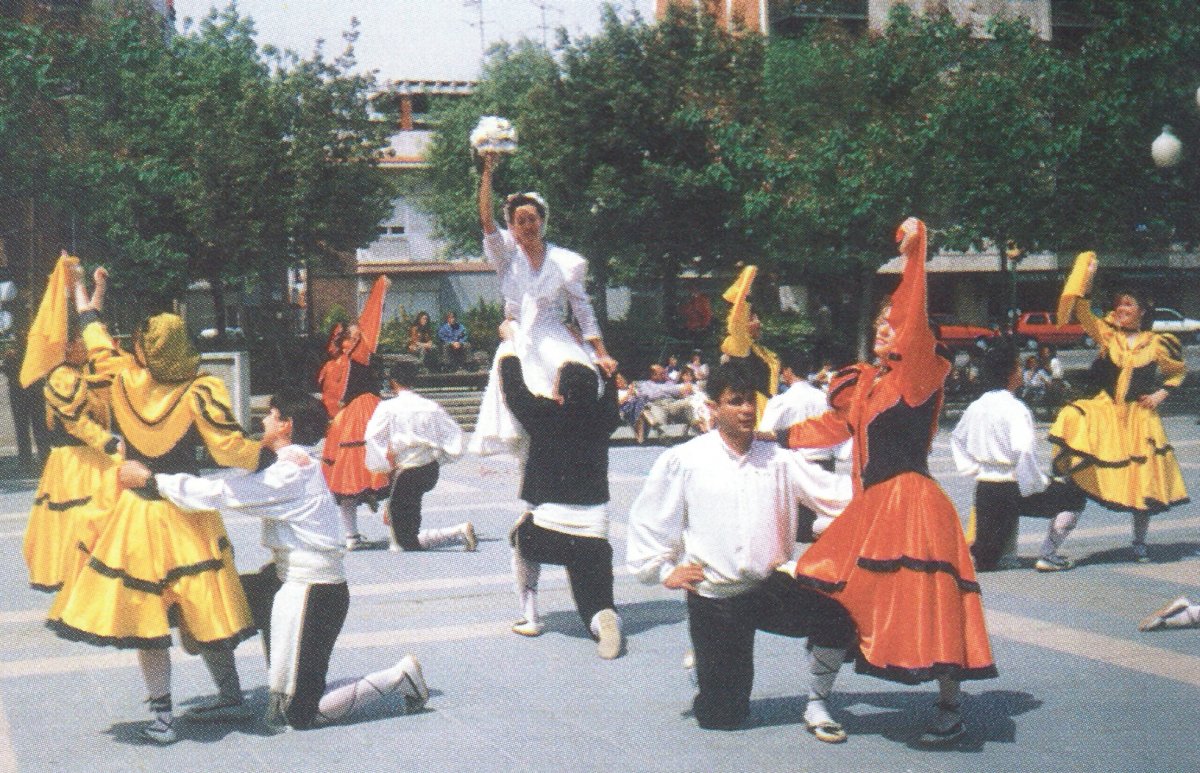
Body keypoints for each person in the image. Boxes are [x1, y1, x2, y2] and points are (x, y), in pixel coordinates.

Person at [777, 219, 996, 745]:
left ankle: (950, 707)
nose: (884, 328)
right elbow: (831, 427)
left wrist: (916, 254)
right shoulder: (865, 384)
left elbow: (913, 312)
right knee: (838, 594)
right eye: (879, 322)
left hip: (911, 503)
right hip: (873, 507)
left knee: (930, 598)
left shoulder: (917, 376)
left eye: (891, 324)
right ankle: (817, 700)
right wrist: (771, 436)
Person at [116, 389, 429, 733]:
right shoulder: (286, 463)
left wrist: (151, 480)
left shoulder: (292, 472)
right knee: (203, 603)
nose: (263, 420)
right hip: (281, 581)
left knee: (300, 714)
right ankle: (230, 697)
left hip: (315, 592)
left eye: (271, 414)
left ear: (285, 425)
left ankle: (400, 677)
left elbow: (224, 493)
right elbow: (229, 482)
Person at [47, 270, 265, 745]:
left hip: (137, 514)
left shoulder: (122, 377)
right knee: (204, 605)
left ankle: (163, 719)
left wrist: (81, 291)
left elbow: (92, 330)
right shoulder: (200, 389)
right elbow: (229, 448)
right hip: (186, 510)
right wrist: (269, 454)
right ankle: (230, 695)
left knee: (147, 617)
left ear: (145, 349)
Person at [627, 362, 856, 739]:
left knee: (839, 619)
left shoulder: (779, 458)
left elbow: (832, 496)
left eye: (751, 400)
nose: (747, 409)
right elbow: (652, 517)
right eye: (735, 401)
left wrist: (890, 494)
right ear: (713, 407)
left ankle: (817, 704)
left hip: (771, 586)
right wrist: (664, 570)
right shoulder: (686, 459)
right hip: (717, 597)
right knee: (723, 717)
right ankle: (706, 666)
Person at [469, 151, 616, 455]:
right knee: (520, 387)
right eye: (520, 221)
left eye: (532, 219)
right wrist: (487, 171)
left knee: (576, 373)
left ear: (542, 221)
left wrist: (602, 353)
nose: (527, 225)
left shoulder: (565, 261)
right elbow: (485, 220)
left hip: (552, 331)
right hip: (517, 331)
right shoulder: (506, 256)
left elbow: (583, 309)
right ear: (512, 226)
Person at [1049, 252, 1187, 562]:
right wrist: (1088, 275)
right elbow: (1082, 310)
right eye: (1119, 304)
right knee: (1075, 428)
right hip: (1108, 414)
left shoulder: (1158, 343)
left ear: (1142, 310)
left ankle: (1139, 542)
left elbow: (1176, 373)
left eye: (1128, 304)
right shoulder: (1107, 335)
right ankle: (1053, 544)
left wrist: (1159, 395)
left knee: (1142, 481)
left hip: (1139, 419)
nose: (1121, 309)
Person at [498, 331, 624, 658]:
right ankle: (604, 620)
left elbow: (514, 391)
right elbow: (610, 402)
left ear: (560, 392)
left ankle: (530, 616)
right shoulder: (603, 420)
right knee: (595, 604)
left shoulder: (545, 414)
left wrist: (509, 346)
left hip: (546, 534)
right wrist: (609, 376)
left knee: (519, 536)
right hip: (595, 536)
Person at [20, 255, 121, 593]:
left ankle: (99, 574)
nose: (86, 346)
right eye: (80, 342)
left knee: (105, 513)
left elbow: (91, 323)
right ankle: (79, 578)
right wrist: (108, 442)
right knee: (80, 516)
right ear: (68, 345)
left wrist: (96, 288)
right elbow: (76, 422)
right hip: (75, 460)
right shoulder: (62, 376)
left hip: (92, 456)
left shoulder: (80, 370)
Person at [951, 340, 1087, 573]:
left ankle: (998, 554)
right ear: (1010, 373)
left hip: (985, 489)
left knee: (985, 562)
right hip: (1012, 486)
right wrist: (1038, 484)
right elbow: (1024, 452)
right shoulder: (1016, 409)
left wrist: (974, 469)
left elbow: (957, 439)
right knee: (1074, 498)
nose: (1021, 371)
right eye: (1018, 367)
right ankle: (1048, 555)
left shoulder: (976, 406)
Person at [363, 360, 476, 553]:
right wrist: (441, 457)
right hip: (429, 468)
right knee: (405, 522)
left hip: (406, 469)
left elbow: (372, 436)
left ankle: (457, 531)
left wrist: (382, 463)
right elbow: (455, 436)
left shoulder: (388, 407)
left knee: (401, 541)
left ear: (393, 381)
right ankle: (456, 532)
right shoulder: (430, 406)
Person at [319, 277, 393, 550]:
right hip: (366, 410)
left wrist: (334, 420)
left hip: (343, 420)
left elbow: (329, 400)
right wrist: (381, 288)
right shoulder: (358, 357)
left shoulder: (331, 366)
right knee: (390, 462)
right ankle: (398, 522)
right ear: (349, 341)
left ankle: (351, 535)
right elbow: (370, 322)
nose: (360, 334)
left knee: (346, 477)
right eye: (355, 334)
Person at [758, 349, 852, 542]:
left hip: (797, 465)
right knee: (825, 513)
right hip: (824, 460)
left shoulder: (782, 401)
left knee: (799, 528)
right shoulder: (824, 398)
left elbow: (765, 432)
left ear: (788, 371)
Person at [720, 266, 779, 424]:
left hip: (768, 410)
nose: (758, 322)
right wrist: (746, 286)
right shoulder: (739, 344)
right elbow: (737, 319)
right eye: (753, 318)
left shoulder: (760, 349)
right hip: (753, 414)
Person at [634, 363, 697, 442]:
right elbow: (650, 395)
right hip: (656, 405)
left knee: (688, 403)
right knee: (660, 422)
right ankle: (663, 437)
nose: (664, 375)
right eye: (662, 373)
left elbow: (678, 391)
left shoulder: (668, 383)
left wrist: (662, 390)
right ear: (653, 375)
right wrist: (668, 390)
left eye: (664, 373)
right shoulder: (644, 385)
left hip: (671, 404)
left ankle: (696, 429)